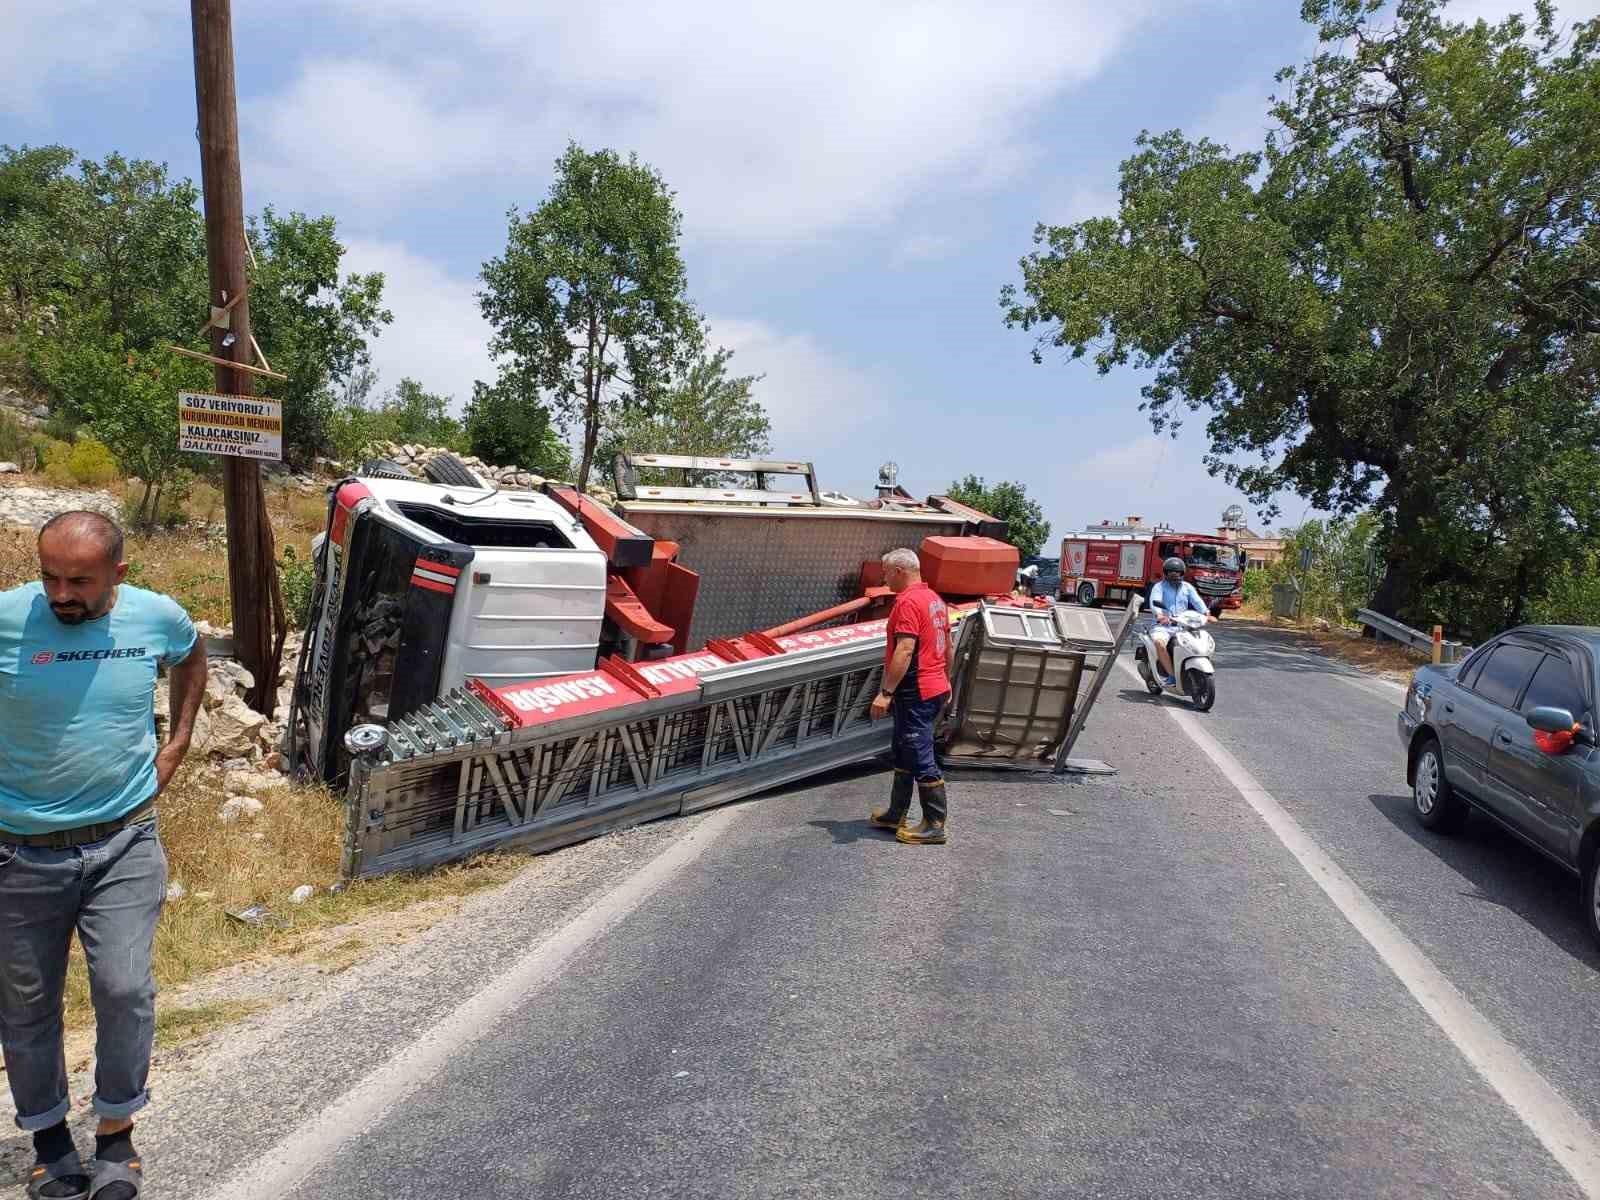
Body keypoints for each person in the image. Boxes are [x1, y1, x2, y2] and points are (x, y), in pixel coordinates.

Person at [0, 512, 207, 1200]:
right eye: (49, 576)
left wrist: (175, 744)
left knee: (124, 990)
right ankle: (49, 1139)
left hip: (124, 842)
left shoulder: (156, 616)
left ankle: (116, 1133)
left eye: (79, 582)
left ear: (117, 574)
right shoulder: (6, 619)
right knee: (27, 1006)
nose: (61, 594)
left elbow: (192, 655)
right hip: (18, 855)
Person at [868, 548, 952, 845]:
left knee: (919, 752)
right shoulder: (934, 600)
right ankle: (896, 813)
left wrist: (885, 692)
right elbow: (947, 647)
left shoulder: (907, 602)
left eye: (886, 572)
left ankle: (934, 824)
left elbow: (905, 650)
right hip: (934, 685)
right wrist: (946, 680)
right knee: (903, 748)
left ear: (900, 571)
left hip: (915, 690)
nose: (884, 577)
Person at [1148, 556, 1210, 685]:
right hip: (1163, 626)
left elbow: (1197, 601)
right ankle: (1171, 676)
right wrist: (1160, 615)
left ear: (1182, 573)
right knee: (1159, 643)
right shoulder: (1159, 587)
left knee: (1197, 645)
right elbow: (1154, 602)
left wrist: (1206, 613)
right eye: (1171, 572)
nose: (1174, 575)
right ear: (1165, 573)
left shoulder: (1187, 587)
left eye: (1177, 572)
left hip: (1183, 627)